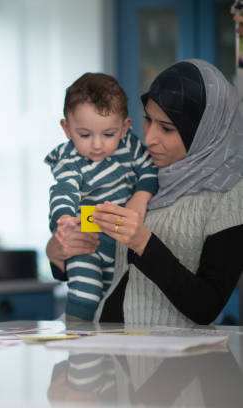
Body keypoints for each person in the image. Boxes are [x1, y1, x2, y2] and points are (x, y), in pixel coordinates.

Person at [47, 59, 243, 325]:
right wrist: (58, 251)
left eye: (167, 128)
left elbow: (206, 306)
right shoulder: (144, 172)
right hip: (105, 347)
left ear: (205, 131)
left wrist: (143, 243)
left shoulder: (231, 197)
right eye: (148, 120)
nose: (149, 137)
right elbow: (102, 255)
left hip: (173, 361)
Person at [45, 73, 158, 321]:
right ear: (67, 128)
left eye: (108, 134)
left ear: (125, 127)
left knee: (116, 295)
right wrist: (63, 219)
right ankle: (78, 346)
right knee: (84, 295)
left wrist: (141, 194)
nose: (97, 145)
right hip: (88, 232)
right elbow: (64, 190)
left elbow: (149, 170)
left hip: (122, 236)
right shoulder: (69, 158)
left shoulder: (131, 146)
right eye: (85, 135)